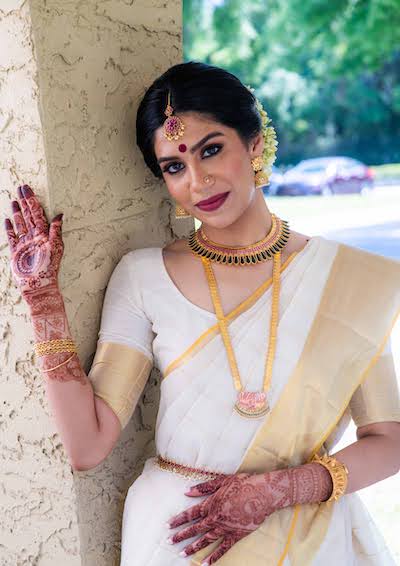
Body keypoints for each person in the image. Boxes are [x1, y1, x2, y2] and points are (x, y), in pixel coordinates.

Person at [4, 61, 400, 566]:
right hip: (176, 538)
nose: (198, 181)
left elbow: (388, 439)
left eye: (212, 149)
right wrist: (42, 303)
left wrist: (280, 490)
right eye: (174, 166)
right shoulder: (144, 275)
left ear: (254, 142)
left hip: (301, 537)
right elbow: (89, 444)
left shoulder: (344, 281)